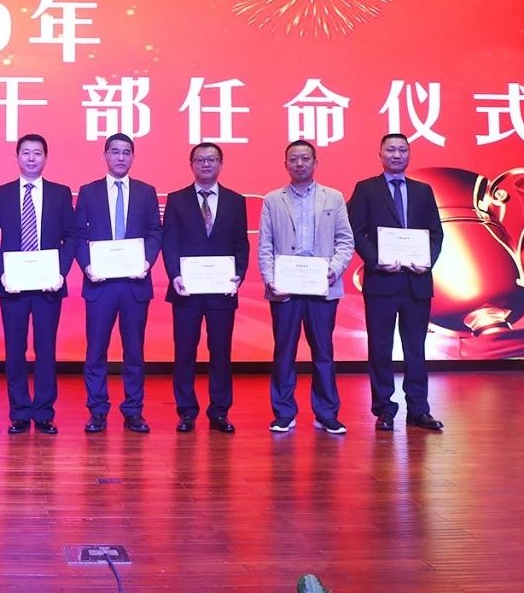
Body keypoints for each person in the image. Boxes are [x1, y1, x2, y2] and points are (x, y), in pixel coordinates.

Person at [347, 133, 446, 431]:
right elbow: (355, 231)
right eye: (391, 150)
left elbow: (436, 233)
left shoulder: (423, 191)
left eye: (402, 150)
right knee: (380, 348)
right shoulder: (366, 189)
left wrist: (426, 260)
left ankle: (419, 409)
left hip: (417, 282)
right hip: (381, 282)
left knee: (415, 348)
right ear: (380, 154)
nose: (397, 155)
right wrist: (376, 260)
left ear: (409, 155)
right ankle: (384, 409)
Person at [0, 133, 78, 436]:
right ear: (17, 157)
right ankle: (20, 412)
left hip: (49, 285)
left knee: (46, 349)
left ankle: (45, 413)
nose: (32, 158)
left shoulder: (60, 193)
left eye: (37, 153)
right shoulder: (2, 193)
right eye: (26, 152)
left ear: (46, 158)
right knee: (15, 349)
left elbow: (72, 236)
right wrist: (2, 272)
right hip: (13, 285)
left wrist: (61, 271)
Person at [257, 140, 355, 435]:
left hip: (322, 287)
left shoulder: (333, 197)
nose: (299, 163)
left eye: (305, 158)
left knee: (323, 353)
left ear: (315, 162)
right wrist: (271, 280)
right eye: (293, 159)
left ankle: (326, 413)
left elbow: (345, 241)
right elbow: (265, 245)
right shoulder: (272, 199)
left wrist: (333, 270)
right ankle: (284, 413)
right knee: (284, 352)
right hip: (285, 289)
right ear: (285, 164)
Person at [74, 133, 162, 434]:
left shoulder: (146, 192)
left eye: (126, 152)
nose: (121, 157)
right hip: (100, 284)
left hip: (135, 284)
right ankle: (97, 410)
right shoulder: (89, 192)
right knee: (95, 351)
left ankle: (133, 411)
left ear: (133, 157)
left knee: (134, 352)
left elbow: (155, 232)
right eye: (115, 152)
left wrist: (146, 262)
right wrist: (87, 266)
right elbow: (79, 235)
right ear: (105, 155)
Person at [161, 142, 249, 434]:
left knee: (221, 353)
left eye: (212, 159)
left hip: (222, 291)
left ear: (221, 164)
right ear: (191, 165)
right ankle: (186, 412)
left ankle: (219, 411)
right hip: (186, 290)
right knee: (185, 352)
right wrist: (174, 275)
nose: (206, 164)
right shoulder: (177, 199)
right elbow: (170, 242)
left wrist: (239, 274)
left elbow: (241, 244)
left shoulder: (236, 201)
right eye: (200, 159)